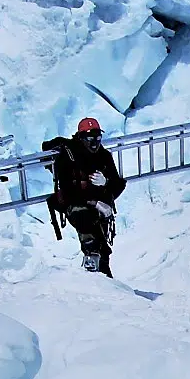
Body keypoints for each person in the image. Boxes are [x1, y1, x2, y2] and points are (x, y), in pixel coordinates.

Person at [45, 117, 126, 276]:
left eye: (97, 137)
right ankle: (92, 272)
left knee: (103, 248)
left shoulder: (104, 156)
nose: (94, 142)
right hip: (77, 205)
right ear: (81, 137)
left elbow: (118, 183)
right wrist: (94, 203)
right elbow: (68, 190)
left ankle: (105, 278)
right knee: (88, 232)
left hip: (99, 206)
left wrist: (106, 182)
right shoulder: (68, 157)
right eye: (90, 138)